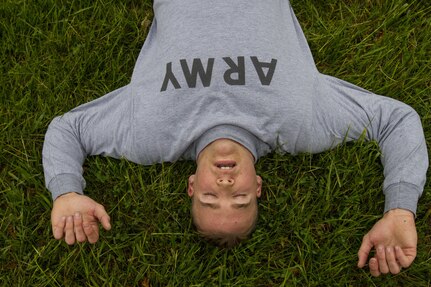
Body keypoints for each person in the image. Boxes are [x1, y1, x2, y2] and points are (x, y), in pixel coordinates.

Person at [42, 0, 428, 277]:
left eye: (211, 197)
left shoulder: (149, 135)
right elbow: (396, 119)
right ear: (257, 185)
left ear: (192, 185)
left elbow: (68, 129)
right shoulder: (301, 124)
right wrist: (399, 210)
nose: (225, 185)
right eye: (239, 198)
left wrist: (66, 192)